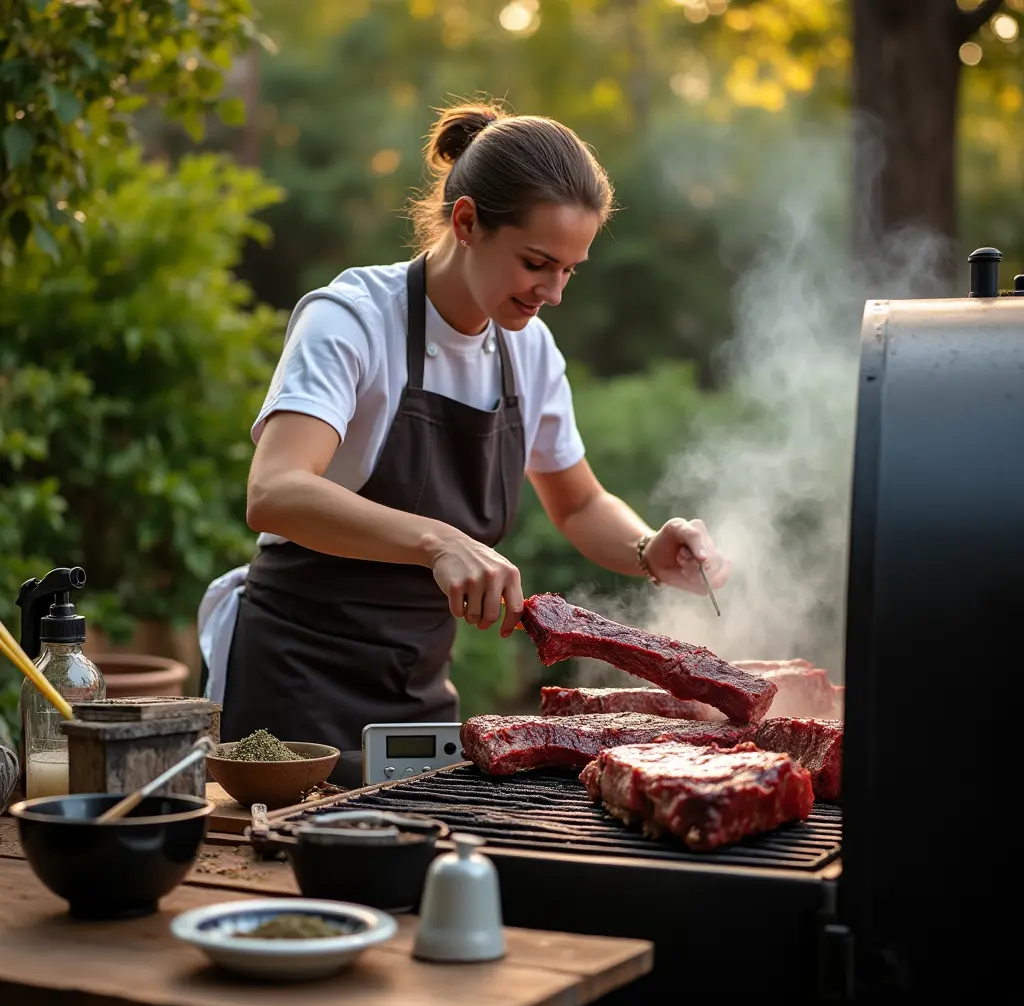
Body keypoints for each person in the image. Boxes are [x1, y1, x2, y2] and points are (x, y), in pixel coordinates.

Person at [198, 100, 730, 788]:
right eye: (538, 262)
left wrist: (644, 548)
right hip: (297, 678)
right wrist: (437, 541)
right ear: (467, 221)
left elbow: (578, 504)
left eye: (571, 269)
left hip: (418, 688)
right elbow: (275, 492)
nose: (555, 292)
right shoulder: (354, 319)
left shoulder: (530, 351)